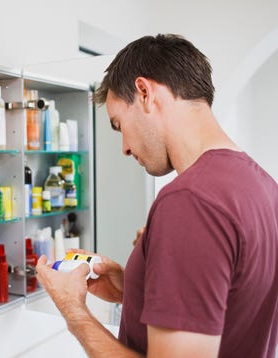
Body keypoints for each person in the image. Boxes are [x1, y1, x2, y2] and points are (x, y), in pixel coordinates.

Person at [36, 34, 278, 357]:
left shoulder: (189, 201)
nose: (124, 148)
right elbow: (227, 305)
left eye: (119, 124)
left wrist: (73, 310)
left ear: (145, 92)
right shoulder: (263, 185)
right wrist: (133, 287)